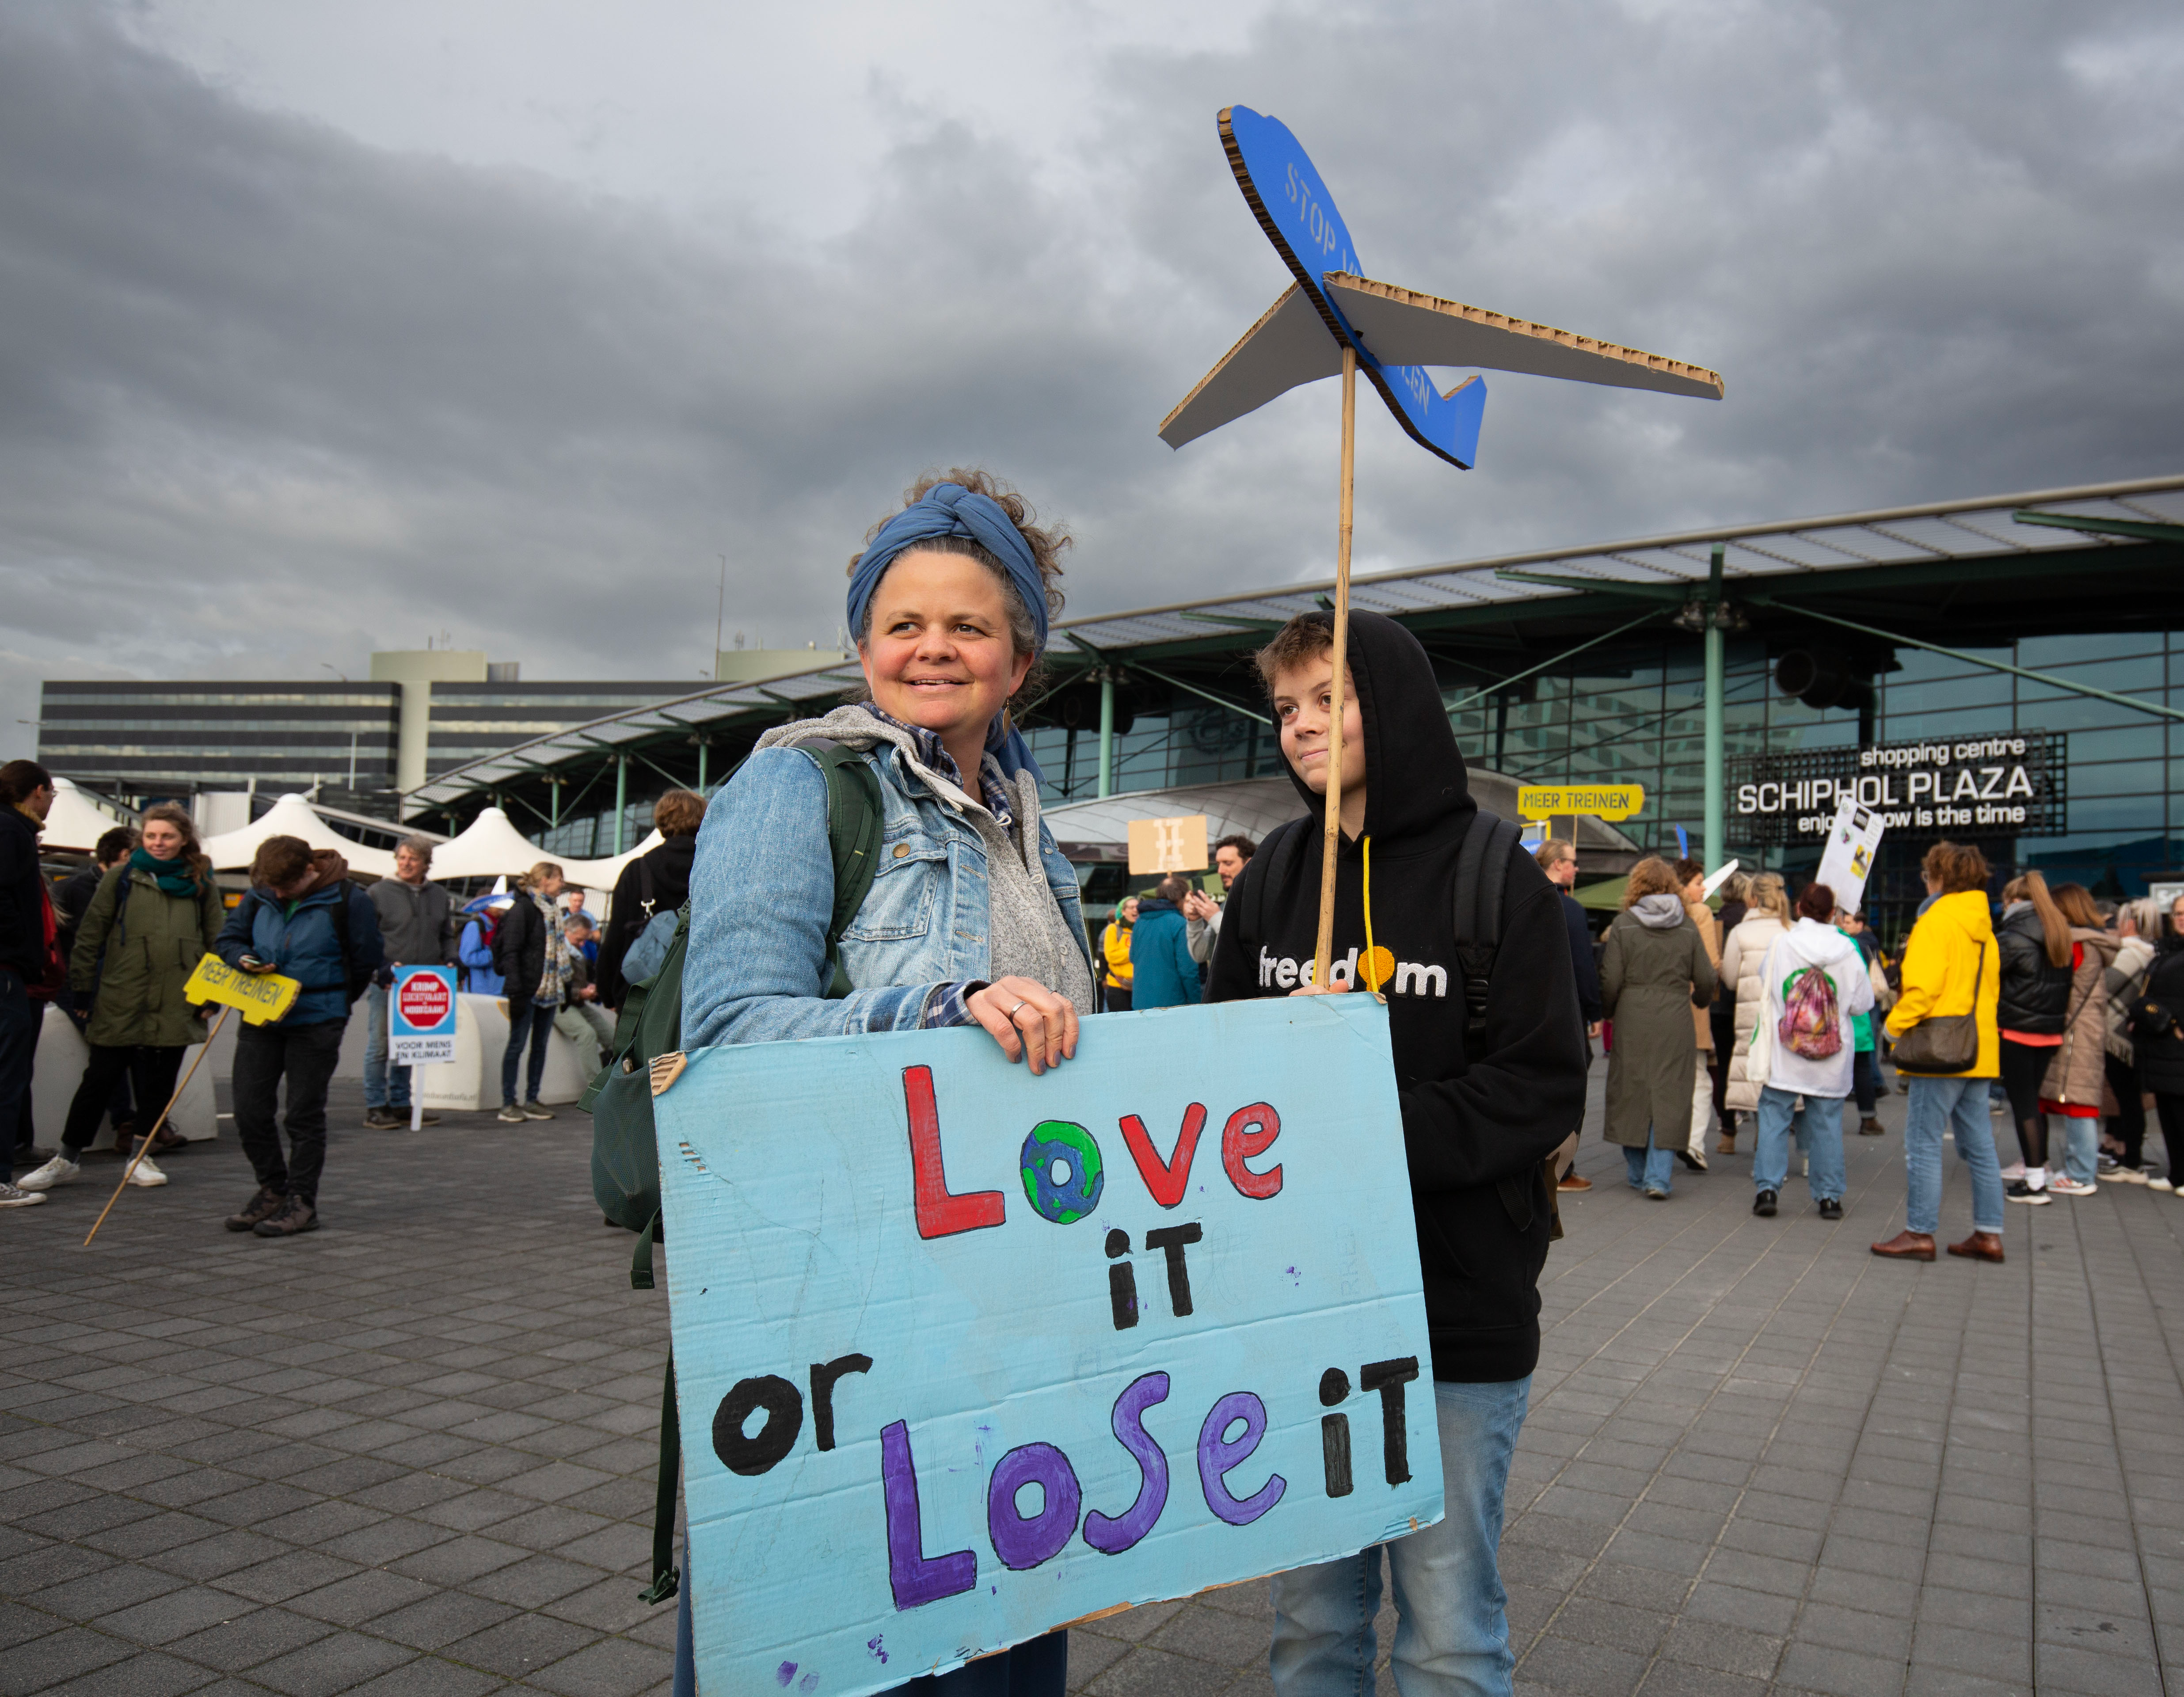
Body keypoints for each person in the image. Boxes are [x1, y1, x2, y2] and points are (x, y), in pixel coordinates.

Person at [681, 468, 1093, 1697]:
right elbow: (724, 1039)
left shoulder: (1028, 826)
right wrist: (939, 1012)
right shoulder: (793, 785)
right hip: (841, 1322)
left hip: (1008, 1318)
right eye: (901, 622)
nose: (932, 649)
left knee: (994, 1654)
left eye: (969, 625)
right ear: (861, 643)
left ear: (1017, 660)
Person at [1199, 608, 1583, 1697]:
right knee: (1313, 1617)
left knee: (1449, 1621)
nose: (1304, 726)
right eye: (1287, 709)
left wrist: (1355, 1109)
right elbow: (1215, 1069)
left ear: (1399, 700)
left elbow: (1542, 1087)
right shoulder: (1274, 873)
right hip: (1301, 1302)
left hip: (1455, 1306)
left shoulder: (1495, 876)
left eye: (1334, 697)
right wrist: (1281, 1056)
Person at [20, 802, 224, 1196]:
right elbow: (90, 934)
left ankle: (141, 1154)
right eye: (151, 836)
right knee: (100, 1078)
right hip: (122, 995)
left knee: (160, 1081)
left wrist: (212, 995)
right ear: (141, 838)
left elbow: (217, 941)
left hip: (178, 999)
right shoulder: (123, 879)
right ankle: (67, 1158)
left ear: (184, 840)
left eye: (167, 836)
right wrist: (82, 987)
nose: (159, 843)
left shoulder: (202, 884)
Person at [214, 836, 380, 1237]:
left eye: (284, 888)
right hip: (261, 1010)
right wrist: (243, 958)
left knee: (303, 1113)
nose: (277, 893)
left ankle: (303, 1202)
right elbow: (228, 940)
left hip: (317, 1018)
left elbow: (365, 960)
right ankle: (273, 1189)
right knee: (250, 1109)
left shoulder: (349, 899)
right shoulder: (260, 895)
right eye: (271, 887)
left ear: (309, 871)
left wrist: (335, 1003)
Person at [1872, 841, 2005, 1263]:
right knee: (1980, 1145)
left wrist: (1892, 1029)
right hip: (1979, 1049)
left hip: (1941, 1050)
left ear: (1940, 879)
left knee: (1923, 1142)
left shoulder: (1935, 923)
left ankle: (1920, 1232)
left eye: (1927, 876)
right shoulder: (1985, 929)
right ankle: (1989, 1234)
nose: (1924, 883)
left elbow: (1922, 991)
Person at [1750, 883, 1873, 1221]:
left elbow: (1768, 984)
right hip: (1831, 1057)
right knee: (1827, 1124)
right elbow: (1863, 1004)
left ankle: (1768, 1190)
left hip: (1786, 1052)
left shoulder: (1782, 944)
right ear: (1834, 913)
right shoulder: (1849, 951)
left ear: (1800, 908)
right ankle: (1829, 1198)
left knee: (1775, 1117)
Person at [1600, 857, 1716, 1199]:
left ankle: (1638, 1172)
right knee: (1671, 1095)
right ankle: (1658, 1178)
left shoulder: (1623, 924)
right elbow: (1707, 977)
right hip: (1676, 1017)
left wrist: (1609, 1011)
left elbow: (1611, 979)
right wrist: (1700, 1001)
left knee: (1631, 1092)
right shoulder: (1688, 926)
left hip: (1632, 1017)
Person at [0, 760, 63, 1208]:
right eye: (52, 792)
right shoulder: (9, 832)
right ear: (37, 792)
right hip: (6, 972)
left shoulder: (14, 831)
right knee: (7, 1076)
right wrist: (23, 950)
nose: (54, 800)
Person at [362, 833, 456, 1130]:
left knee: (409, 1046)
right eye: (402, 857)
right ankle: (376, 1105)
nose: (406, 863)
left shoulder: (439, 895)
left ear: (426, 863)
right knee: (380, 1044)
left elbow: (446, 934)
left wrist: (452, 959)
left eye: (413, 859)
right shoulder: (377, 892)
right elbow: (367, 937)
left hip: (424, 983)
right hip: (389, 981)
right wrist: (381, 968)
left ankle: (401, 1103)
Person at [1995, 870, 2073, 1203]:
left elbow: (1988, 975)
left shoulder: (2014, 935)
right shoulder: (2058, 933)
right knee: (2032, 1103)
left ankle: (2036, 1182)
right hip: (2049, 1032)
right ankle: (2038, 1172)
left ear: (2015, 901)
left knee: (2024, 1105)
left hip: (2017, 1031)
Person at [2037, 882, 2115, 1197]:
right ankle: (2078, 1169)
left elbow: (2059, 987)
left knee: (2077, 1099)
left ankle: (2081, 1174)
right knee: (2076, 1097)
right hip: (2087, 1028)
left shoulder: (2077, 945)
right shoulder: (2094, 943)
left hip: (2075, 1031)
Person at [1534, 838, 1602, 1194]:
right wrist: (1594, 1011)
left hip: (1525, 1008)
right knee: (1570, 1089)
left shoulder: (1519, 897)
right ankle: (1562, 1169)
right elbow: (1582, 967)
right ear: (1559, 865)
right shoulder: (1570, 909)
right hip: (1565, 1010)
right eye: (1573, 863)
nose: (1577, 869)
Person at [597, 789, 705, 1009]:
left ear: (661, 821)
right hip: (698, 994)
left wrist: (608, 992)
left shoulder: (639, 870)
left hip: (641, 995)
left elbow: (616, 935)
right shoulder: (713, 867)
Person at [492, 861, 570, 1124]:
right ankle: (507, 1102)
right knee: (517, 1045)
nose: (563, 883)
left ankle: (532, 1098)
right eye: (559, 878)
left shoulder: (553, 911)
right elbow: (510, 951)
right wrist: (515, 989)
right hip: (527, 990)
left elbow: (560, 954)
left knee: (539, 1046)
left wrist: (565, 985)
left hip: (549, 990)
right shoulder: (524, 909)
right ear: (544, 880)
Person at [1720, 873, 1793, 1153]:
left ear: (1752, 899)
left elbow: (1729, 978)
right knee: (1780, 1080)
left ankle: (1757, 1147)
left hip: (1751, 1018)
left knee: (1755, 1076)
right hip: (1787, 1019)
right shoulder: (1793, 930)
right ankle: (1771, 1145)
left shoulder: (1741, 932)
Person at [2100, 898, 2161, 1185]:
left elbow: (2104, 986)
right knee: (2129, 1099)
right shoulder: (2148, 953)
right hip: (2129, 1038)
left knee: (2128, 1100)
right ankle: (2127, 1155)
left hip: (2118, 1038)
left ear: (2130, 924)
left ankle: (2131, 1161)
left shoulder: (2131, 954)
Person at [1673, 857, 1721, 1171]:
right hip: (1692, 1005)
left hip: (1652, 1007)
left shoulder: (1646, 908)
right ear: (1682, 884)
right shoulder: (1700, 913)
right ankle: (1693, 1144)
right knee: (1700, 1079)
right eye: (1698, 882)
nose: (1704, 888)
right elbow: (1711, 964)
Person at [1834, 909, 1891, 1136]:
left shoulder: (1836, 942)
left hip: (1827, 1020)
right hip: (1857, 1018)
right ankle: (1868, 1119)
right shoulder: (1851, 945)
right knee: (1862, 1068)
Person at [2141, 891, 2184, 1188]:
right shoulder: (2168, 951)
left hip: (2178, 1045)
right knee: (2169, 1113)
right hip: (2162, 1046)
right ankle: (2177, 1174)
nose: (2181, 919)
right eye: (2178, 913)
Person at [1709, 871, 1750, 1138]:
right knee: (1754, 1063)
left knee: (1722, 1066)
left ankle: (1727, 1129)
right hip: (1749, 1003)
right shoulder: (1753, 925)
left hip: (1718, 1005)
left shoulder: (1715, 923)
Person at [1129, 875, 1202, 1010]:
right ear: (1181, 898)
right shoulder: (1179, 923)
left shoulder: (1140, 922)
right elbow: (1188, 970)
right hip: (1172, 1005)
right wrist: (1198, 1002)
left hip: (1140, 1002)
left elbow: (1132, 957)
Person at [1183, 833, 1257, 965]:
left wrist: (1215, 917)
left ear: (1249, 863)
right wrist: (1195, 921)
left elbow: (1250, 947)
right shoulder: (1226, 904)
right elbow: (1200, 954)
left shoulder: (1258, 901)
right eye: (1219, 864)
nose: (1220, 871)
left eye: (1228, 863)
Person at [554, 915, 616, 1065]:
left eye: (584, 940)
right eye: (579, 940)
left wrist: (590, 988)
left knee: (613, 1037)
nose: (582, 944)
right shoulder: (556, 951)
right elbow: (555, 986)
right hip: (560, 1004)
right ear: (567, 932)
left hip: (577, 1002)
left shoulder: (574, 950)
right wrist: (581, 993)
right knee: (586, 1034)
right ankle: (594, 1084)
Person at [457, 894, 508, 994]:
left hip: (499, 990)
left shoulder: (501, 926)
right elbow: (468, 958)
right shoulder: (475, 926)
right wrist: (495, 955)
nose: (502, 907)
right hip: (481, 991)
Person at [1100, 895, 1137, 1012]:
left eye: (1138, 907)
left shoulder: (1143, 929)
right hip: (1117, 986)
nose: (1136, 910)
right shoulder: (1113, 929)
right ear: (1124, 912)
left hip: (1140, 987)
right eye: (1132, 907)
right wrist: (1135, 951)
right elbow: (1111, 957)